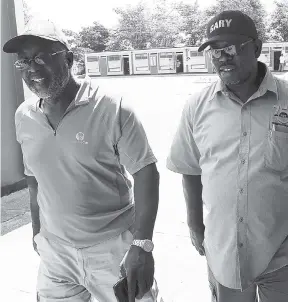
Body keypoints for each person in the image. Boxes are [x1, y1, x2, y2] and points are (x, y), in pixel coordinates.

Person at [3, 19, 162, 302]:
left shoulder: (112, 107)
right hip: (56, 254)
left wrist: (142, 245)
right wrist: (38, 230)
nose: (32, 69)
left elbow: (146, 171)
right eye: (24, 62)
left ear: (69, 58)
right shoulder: (24, 116)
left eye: (41, 57)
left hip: (113, 251)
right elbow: (34, 179)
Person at [167, 10, 288, 302]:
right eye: (215, 51)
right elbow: (190, 169)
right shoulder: (197, 106)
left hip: (282, 256)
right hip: (224, 255)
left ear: (257, 48)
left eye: (231, 48)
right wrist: (195, 226)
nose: (222, 57)